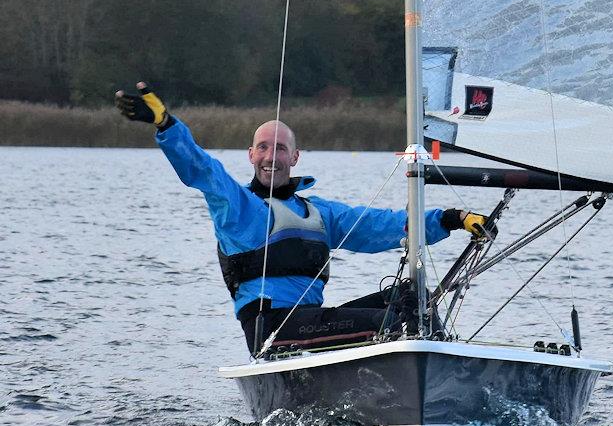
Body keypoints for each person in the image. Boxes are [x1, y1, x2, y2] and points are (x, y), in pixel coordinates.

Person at [115, 82, 492, 355]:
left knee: (413, 301)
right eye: (263, 148)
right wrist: (166, 125)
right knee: (395, 325)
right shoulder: (238, 208)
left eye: (280, 148)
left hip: (313, 325)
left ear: (294, 158)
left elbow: (383, 225)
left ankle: (444, 380)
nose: (271, 156)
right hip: (271, 332)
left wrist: (451, 218)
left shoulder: (320, 213)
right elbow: (202, 169)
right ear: (250, 155)